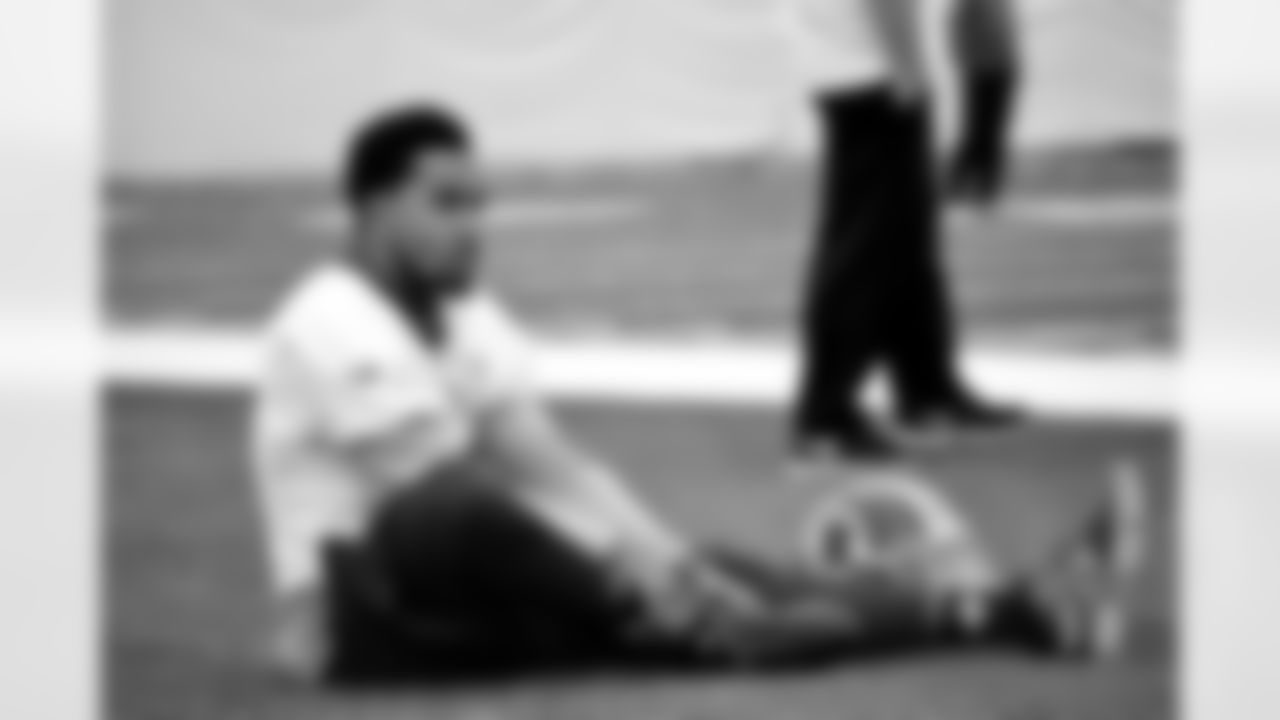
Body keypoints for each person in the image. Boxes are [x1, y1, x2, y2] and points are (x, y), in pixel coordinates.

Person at [252, 104, 1145, 685]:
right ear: (370, 208)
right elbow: (449, 500)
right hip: (364, 624)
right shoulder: (327, 318)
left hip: (470, 607)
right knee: (451, 506)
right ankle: (702, 619)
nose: (472, 226)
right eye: (445, 203)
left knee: (722, 566)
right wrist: (636, 577)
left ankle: (1012, 607)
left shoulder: (466, 314)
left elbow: (556, 466)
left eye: (478, 203)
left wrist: (671, 564)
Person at [785, 0, 1026, 461]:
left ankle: (926, 389)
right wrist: (908, 68)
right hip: (870, 74)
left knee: (905, 248)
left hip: (856, 68)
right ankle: (824, 416)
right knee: (866, 255)